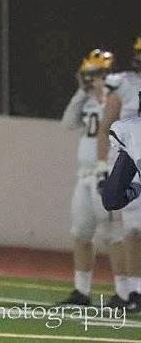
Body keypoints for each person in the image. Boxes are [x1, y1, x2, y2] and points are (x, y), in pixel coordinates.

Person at [55, 49, 129, 307]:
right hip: (84, 174)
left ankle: (124, 292)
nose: (90, 80)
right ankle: (81, 291)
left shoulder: (120, 100)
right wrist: (81, 93)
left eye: (95, 75)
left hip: (109, 172)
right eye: (89, 75)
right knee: (80, 232)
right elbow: (67, 123)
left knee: (113, 234)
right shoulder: (85, 99)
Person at [96, 36, 141, 313]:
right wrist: (102, 166)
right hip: (130, 163)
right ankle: (135, 291)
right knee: (134, 230)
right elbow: (106, 127)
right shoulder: (123, 84)